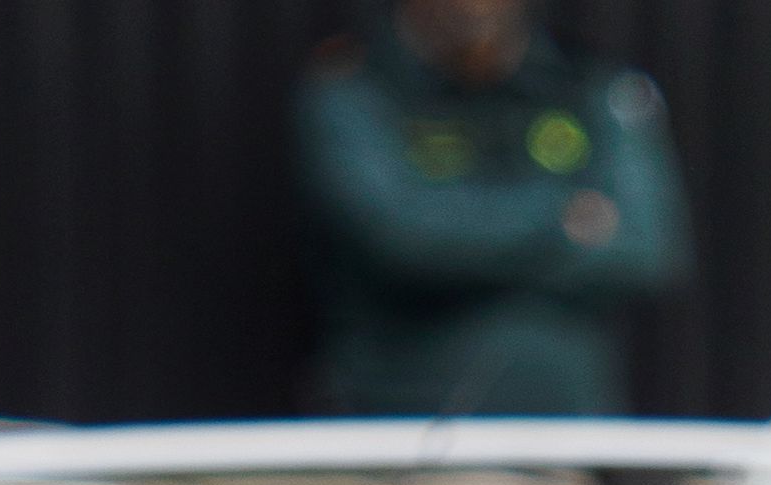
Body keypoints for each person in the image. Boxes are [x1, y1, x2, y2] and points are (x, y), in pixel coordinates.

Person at [294, 2, 691, 423]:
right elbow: (402, 239)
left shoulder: (590, 84)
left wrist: (470, 243)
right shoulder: (356, 90)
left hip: (572, 435)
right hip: (403, 431)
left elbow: (648, 247)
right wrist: (560, 222)